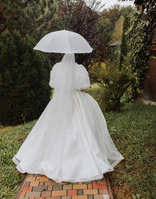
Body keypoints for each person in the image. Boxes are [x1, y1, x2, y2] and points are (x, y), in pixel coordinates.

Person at [12, 53, 124, 183]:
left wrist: (65, 87)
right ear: (74, 57)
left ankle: (52, 156)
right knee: (81, 127)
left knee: (54, 127)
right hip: (78, 101)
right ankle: (81, 157)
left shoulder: (57, 68)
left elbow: (53, 84)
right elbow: (85, 87)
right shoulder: (80, 69)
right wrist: (75, 87)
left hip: (59, 102)